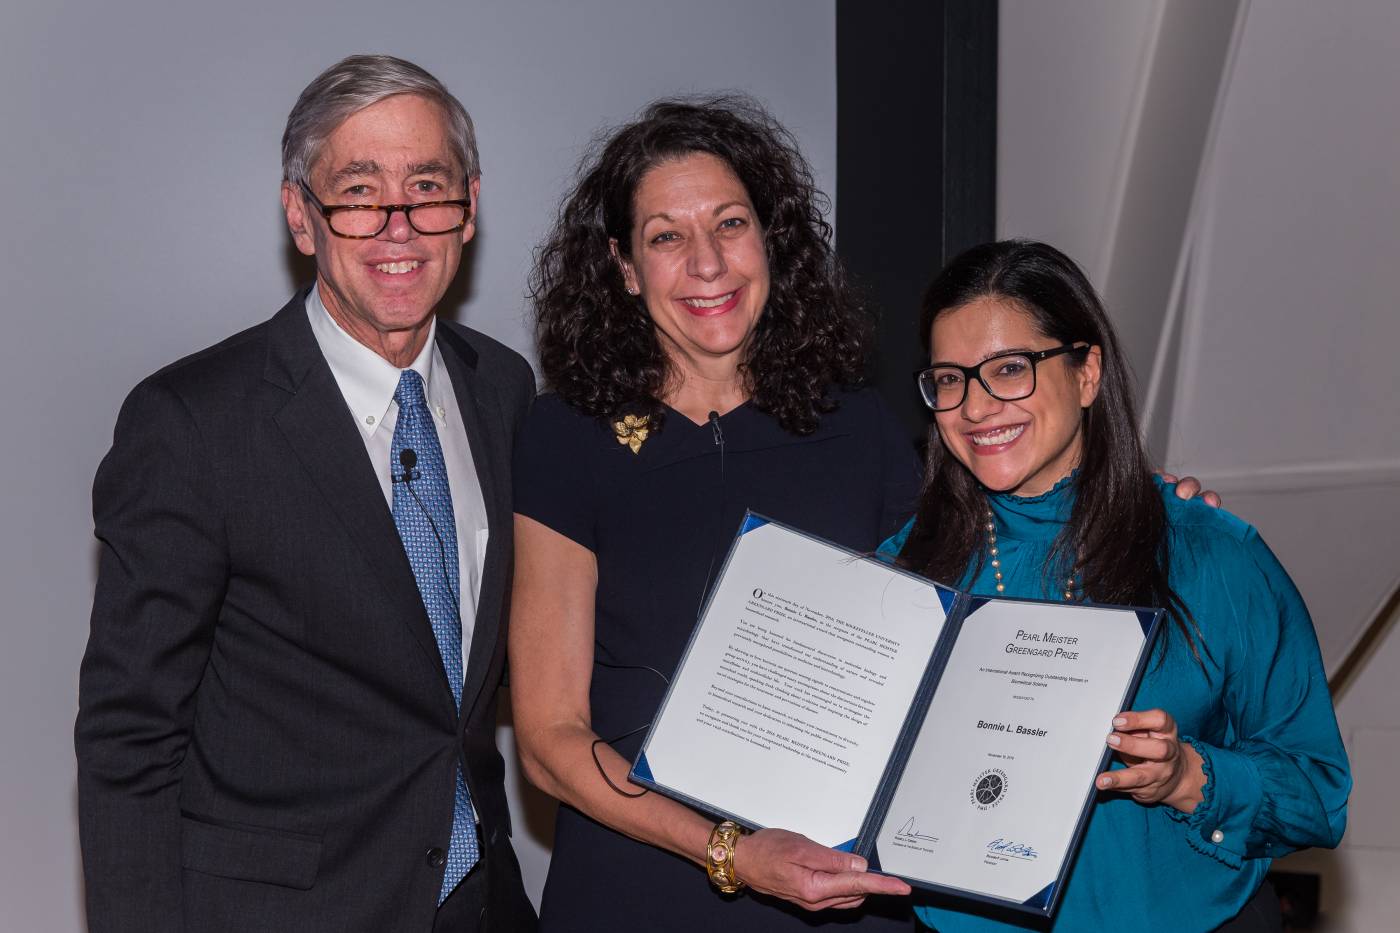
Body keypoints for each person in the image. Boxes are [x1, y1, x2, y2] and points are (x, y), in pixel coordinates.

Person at [75, 55, 536, 932]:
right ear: (302, 215)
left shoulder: (504, 391)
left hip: (481, 906)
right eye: (359, 193)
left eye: (428, 188)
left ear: (468, 207)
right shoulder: (192, 422)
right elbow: (128, 740)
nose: (398, 227)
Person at [509, 97, 922, 930]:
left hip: (839, 885)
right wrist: (728, 850)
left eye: (730, 223)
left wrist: (1134, 498)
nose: (707, 263)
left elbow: (948, 636)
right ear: (625, 268)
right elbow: (551, 739)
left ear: (770, 239)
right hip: (639, 885)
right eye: (666, 236)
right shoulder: (565, 437)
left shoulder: (864, 427)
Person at [882, 239, 1350, 932]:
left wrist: (1190, 776)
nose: (975, 406)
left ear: (1087, 371)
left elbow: (1319, 794)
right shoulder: (900, 578)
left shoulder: (1213, 554)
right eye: (950, 378)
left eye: (1009, 368)